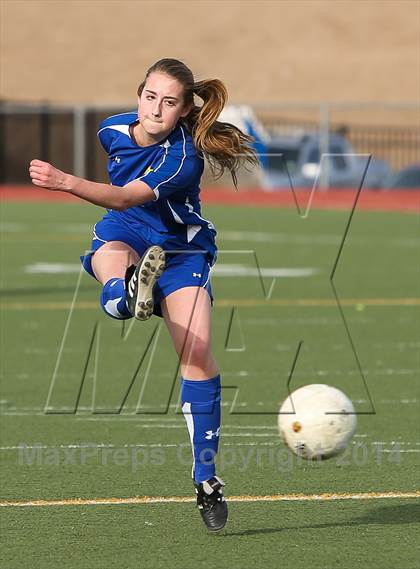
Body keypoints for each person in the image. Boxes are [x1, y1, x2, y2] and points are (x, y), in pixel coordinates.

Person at [29, 58, 257, 532]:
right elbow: (123, 210)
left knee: (197, 355)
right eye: (150, 96)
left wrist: (65, 181)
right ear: (138, 95)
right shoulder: (113, 128)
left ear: (183, 110)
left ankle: (206, 479)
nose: (156, 109)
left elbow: (125, 195)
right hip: (129, 232)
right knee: (108, 251)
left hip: (180, 252)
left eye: (169, 102)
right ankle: (126, 294)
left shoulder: (183, 158)